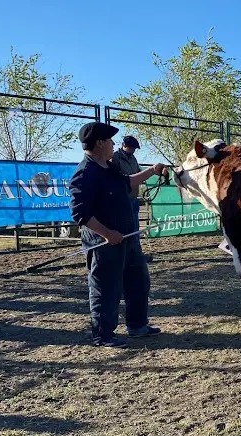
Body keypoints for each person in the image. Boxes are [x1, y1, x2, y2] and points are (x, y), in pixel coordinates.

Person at [69, 122, 167, 348]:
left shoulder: (109, 167)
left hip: (128, 236)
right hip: (105, 242)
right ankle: (103, 335)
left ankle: (137, 325)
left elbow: (127, 183)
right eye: (111, 141)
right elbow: (79, 212)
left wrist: (152, 171)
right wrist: (106, 233)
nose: (114, 144)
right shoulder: (85, 173)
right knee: (106, 287)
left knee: (138, 281)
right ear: (100, 142)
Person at [112, 135, 154, 262]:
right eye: (132, 148)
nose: (134, 150)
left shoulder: (132, 158)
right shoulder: (114, 159)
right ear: (125, 146)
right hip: (121, 199)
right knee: (124, 228)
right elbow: (118, 179)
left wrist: (152, 172)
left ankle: (136, 254)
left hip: (133, 198)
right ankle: (125, 256)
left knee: (134, 228)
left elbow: (138, 172)